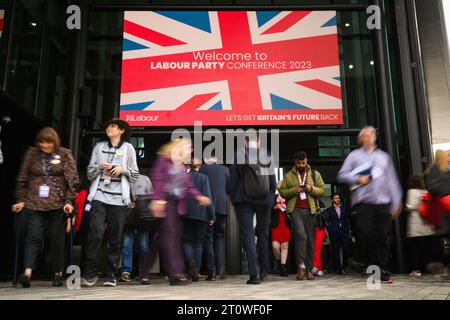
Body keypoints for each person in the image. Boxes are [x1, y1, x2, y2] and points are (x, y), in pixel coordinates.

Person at [12, 127, 79, 287]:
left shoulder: (64, 154)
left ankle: (58, 273)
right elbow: (22, 178)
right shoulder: (32, 154)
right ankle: (27, 273)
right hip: (34, 203)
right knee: (33, 237)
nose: (45, 146)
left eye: (49, 143)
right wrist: (21, 199)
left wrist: (69, 201)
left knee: (57, 240)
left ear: (54, 142)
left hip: (58, 204)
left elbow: (73, 180)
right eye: (42, 142)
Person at [138, 139, 211, 285]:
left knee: (160, 240)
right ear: (178, 148)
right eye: (188, 147)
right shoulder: (163, 160)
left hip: (176, 205)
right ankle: (175, 273)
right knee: (171, 239)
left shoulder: (182, 166)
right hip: (164, 203)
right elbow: (157, 179)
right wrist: (158, 199)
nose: (190, 151)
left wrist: (199, 196)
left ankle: (144, 273)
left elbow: (188, 186)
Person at [337, 126, 402, 283]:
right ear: (360, 139)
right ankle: (367, 262)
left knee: (383, 236)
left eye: (369, 135)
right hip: (364, 203)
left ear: (374, 137)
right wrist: (357, 179)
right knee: (367, 233)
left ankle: (380, 269)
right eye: (363, 136)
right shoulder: (354, 156)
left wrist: (397, 200)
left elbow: (392, 180)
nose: (366, 138)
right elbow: (341, 175)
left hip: (382, 202)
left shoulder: (384, 157)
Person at [82, 118, 139, 287]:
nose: (109, 128)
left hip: (119, 200)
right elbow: (90, 174)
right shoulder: (99, 147)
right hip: (99, 196)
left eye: (113, 126)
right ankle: (90, 272)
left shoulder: (129, 149)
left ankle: (112, 274)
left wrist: (124, 170)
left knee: (115, 238)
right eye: (108, 126)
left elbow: (135, 175)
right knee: (95, 233)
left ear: (121, 130)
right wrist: (99, 167)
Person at [229, 134, 276, 284]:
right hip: (264, 201)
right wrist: (270, 198)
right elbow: (272, 180)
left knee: (248, 235)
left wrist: (232, 196)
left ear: (245, 141)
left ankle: (254, 274)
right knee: (262, 235)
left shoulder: (238, 155)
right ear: (259, 140)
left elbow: (233, 180)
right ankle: (264, 271)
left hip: (243, 200)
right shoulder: (267, 154)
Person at [280, 151, 325, 281]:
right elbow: (282, 192)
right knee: (301, 235)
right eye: (299, 163)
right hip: (295, 209)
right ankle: (301, 268)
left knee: (310, 240)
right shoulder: (288, 176)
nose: (301, 165)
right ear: (295, 162)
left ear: (306, 161)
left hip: (310, 210)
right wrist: (294, 190)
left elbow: (322, 190)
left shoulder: (314, 174)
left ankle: (309, 270)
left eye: (303, 163)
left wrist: (311, 189)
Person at [182, 158, 215, 282]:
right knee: (198, 243)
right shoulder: (203, 178)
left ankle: (188, 268)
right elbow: (208, 196)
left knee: (186, 241)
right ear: (199, 166)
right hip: (201, 214)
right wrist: (211, 215)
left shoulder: (184, 177)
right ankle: (195, 272)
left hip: (185, 213)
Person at [199, 154, 230, 280]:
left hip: (207, 207)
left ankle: (211, 270)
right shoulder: (225, 170)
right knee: (219, 237)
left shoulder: (202, 169)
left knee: (208, 238)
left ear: (206, 159)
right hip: (222, 207)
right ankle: (220, 266)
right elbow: (229, 189)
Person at [120, 171, 154, 282]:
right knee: (127, 245)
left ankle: (143, 272)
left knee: (143, 246)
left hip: (142, 215)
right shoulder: (122, 178)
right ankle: (126, 271)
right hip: (128, 215)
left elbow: (151, 197)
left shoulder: (145, 179)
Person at [405, 175, 435, 277]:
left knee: (415, 249)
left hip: (415, 226)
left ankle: (416, 270)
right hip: (426, 225)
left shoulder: (411, 191)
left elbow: (410, 206)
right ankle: (428, 269)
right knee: (425, 249)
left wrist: (406, 207)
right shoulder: (425, 192)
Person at [325, 193, 350, 274]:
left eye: (338, 198)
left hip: (344, 231)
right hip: (334, 232)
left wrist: (347, 229)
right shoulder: (329, 210)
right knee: (335, 250)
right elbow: (327, 222)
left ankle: (345, 266)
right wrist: (330, 230)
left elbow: (347, 219)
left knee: (346, 248)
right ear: (332, 200)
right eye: (335, 198)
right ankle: (338, 268)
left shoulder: (344, 209)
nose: (337, 200)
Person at [270, 182, 291, 277]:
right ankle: (279, 261)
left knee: (285, 245)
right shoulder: (273, 198)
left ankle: (283, 267)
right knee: (275, 246)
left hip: (286, 225)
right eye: (279, 188)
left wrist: (286, 208)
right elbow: (268, 210)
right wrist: (275, 207)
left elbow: (292, 210)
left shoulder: (289, 198)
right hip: (276, 225)